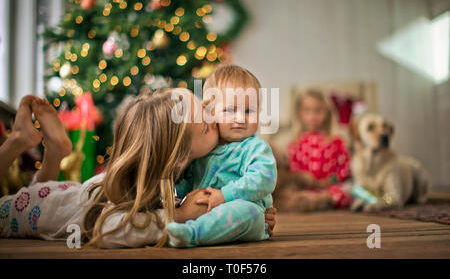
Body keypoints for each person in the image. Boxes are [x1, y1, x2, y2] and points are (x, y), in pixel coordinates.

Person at [0, 91, 276, 248]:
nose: (214, 118)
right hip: (19, 212)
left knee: (36, 191)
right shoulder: (110, 201)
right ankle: (19, 143)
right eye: (205, 125)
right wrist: (178, 215)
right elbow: (106, 230)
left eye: (205, 108)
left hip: (56, 193)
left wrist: (255, 207)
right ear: (179, 159)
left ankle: (54, 152)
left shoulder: (172, 174)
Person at [166, 65, 277, 247]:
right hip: (202, 212)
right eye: (230, 111)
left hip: (248, 214)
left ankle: (192, 234)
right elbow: (189, 181)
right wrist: (176, 197)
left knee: (248, 212)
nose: (240, 118)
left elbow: (264, 178)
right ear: (210, 113)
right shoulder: (205, 149)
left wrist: (225, 195)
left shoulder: (255, 148)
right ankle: (190, 229)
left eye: (249, 111)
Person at [277, 89, 352, 212]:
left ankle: (323, 202)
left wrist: (331, 180)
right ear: (300, 114)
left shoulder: (336, 141)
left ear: (327, 112)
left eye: (318, 111)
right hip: (304, 190)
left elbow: (345, 167)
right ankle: (314, 203)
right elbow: (293, 170)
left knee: (344, 194)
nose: (312, 116)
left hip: (330, 188)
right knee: (290, 197)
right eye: (307, 110)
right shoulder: (295, 144)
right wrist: (308, 181)